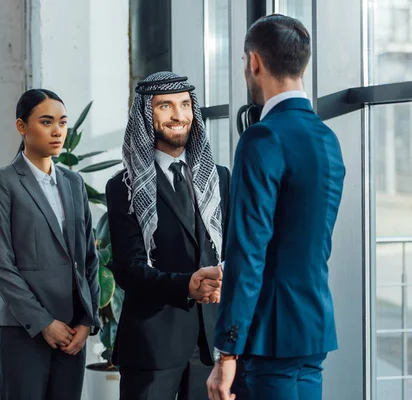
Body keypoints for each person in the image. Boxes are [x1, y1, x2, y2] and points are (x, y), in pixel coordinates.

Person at [206, 14, 346, 400]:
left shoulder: (263, 137)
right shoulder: (327, 138)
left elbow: (249, 252)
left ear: (254, 62)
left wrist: (227, 352)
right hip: (313, 329)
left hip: (268, 334)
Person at [106, 71, 237, 400]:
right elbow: (129, 270)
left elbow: (233, 250)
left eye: (185, 104)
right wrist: (187, 285)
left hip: (209, 346)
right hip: (152, 347)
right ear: (146, 115)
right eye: (166, 106)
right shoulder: (125, 186)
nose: (179, 115)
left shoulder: (218, 178)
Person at [0, 89, 101, 400]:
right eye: (46, 122)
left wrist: (88, 321)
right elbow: (0, 266)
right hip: (23, 331)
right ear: (22, 126)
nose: (58, 131)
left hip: (73, 333)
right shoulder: (1, 182)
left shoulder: (73, 183)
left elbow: (89, 258)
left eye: (62, 122)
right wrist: (44, 323)